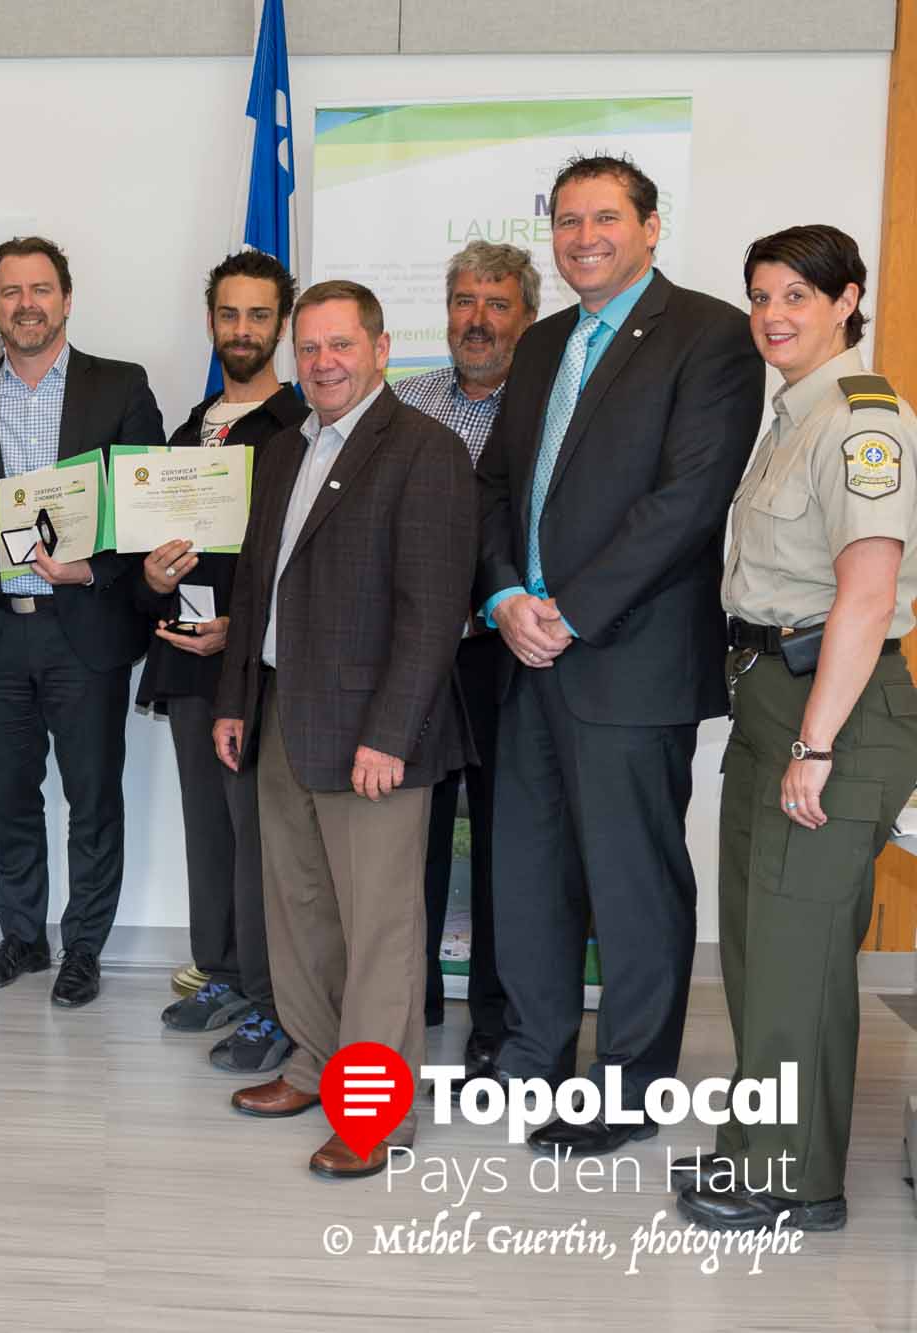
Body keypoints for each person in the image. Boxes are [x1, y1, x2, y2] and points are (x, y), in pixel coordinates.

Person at [474, 155, 764, 1155]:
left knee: (632, 886)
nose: (581, 235)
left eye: (602, 217)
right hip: (525, 653)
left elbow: (685, 500)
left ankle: (628, 1087)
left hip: (626, 658)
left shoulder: (709, 335)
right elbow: (496, 487)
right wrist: (507, 595)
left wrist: (570, 609)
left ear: (649, 226)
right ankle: (530, 1063)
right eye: (564, 219)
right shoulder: (541, 340)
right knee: (525, 873)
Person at [675, 225, 917, 1234]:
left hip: (837, 705)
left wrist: (815, 745)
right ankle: (760, 1142)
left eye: (796, 297)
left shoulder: (864, 422)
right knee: (764, 941)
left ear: (845, 301)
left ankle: (790, 1178)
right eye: (760, 295)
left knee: (793, 947)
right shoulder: (789, 416)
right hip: (774, 690)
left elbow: (863, 596)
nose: (772, 315)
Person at [212, 280, 474, 1179]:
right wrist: (236, 699)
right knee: (301, 909)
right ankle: (313, 1062)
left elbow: (434, 609)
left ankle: (375, 1114)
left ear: (379, 347)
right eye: (309, 347)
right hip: (285, 709)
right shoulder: (285, 449)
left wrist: (392, 734)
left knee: (381, 929)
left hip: (374, 734)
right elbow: (256, 585)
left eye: (339, 345)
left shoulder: (424, 450)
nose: (322, 362)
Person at [0, 236, 165, 1009]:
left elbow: (143, 509)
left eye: (41, 289)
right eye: (10, 291)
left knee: (92, 796)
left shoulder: (120, 386)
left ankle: (84, 946)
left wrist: (92, 567)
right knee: (11, 795)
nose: (27, 304)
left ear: (67, 298)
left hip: (86, 622)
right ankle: (22, 936)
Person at [136, 249, 306, 1074]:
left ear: (282, 323)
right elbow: (157, 552)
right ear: (211, 323)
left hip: (261, 667)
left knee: (261, 835)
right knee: (208, 826)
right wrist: (152, 576)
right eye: (229, 315)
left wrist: (240, 626)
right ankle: (224, 973)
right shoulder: (184, 431)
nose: (243, 330)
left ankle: (276, 1000)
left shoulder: (301, 430)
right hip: (188, 661)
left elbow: (305, 563)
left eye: (259, 316)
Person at [391, 239, 539, 1075]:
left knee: (501, 843)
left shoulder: (547, 408)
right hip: (413, 656)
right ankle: (405, 1000)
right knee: (407, 835)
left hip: (502, 657)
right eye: (463, 302)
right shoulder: (404, 403)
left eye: (496, 303)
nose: (476, 320)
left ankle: (495, 1012)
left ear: (526, 316)